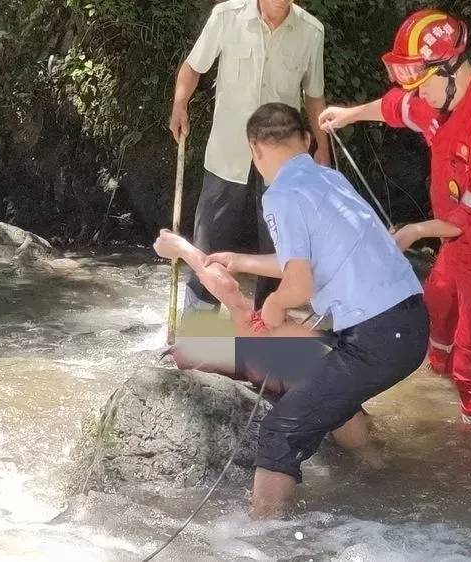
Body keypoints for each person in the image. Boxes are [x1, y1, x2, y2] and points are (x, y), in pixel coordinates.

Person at [158, 102, 428, 517]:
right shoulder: (329, 179)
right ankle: (385, 478)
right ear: (306, 140)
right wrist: (244, 262)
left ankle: (260, 537)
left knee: (280, 432)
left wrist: (273, 305)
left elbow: (294, 285)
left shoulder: (282, 194)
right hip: (408, 322)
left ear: (255, 149)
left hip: (375, 335)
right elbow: (312, 262)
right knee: (324, 388)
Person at [319, 9, 471, 424]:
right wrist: (349, 114)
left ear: (451, 70)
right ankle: (438, 402)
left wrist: (416, 231)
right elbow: (399, 107)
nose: (416, 95)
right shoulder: (440, 102)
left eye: (422, 86)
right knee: (435, 325)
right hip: (456, 248)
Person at [169, 0, 329, 312]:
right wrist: (179, 104)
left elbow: (314, 96)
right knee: (208, 246)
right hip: (227, 156)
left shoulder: (311, 31)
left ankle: (264, 338)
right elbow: (193, 67)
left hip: (282, 165)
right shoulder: (226, 16)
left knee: (280, 251)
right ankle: (198, 341)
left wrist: (323, 148)